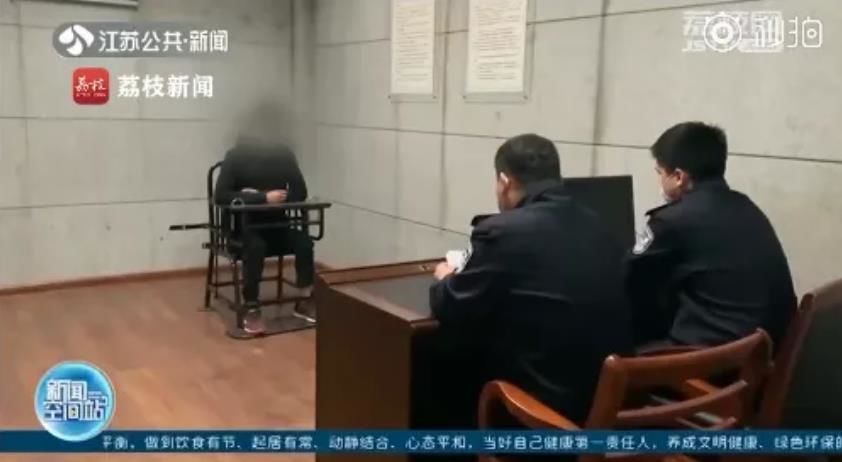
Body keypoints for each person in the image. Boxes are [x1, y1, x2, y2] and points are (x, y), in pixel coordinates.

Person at [426, 133, 633, 430]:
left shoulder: (503, 231)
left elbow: (450, 305)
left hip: (545, 411)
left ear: (504, 181)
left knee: (444, 364)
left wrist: (447, 276)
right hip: (606, 400)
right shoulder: (599, 223)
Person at [626, 121, 796, 351]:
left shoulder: (672, 221)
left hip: (715, 359)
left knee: (610, 346)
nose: (659, 181)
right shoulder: (746, 206)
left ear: (678, 176)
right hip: (766, 353)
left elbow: (627, 277)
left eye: (660, 173)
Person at [214, 107, 313, 335]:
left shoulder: (284, 154)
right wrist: (260, 198)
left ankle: (305, 298)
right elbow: (221, 195)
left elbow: (300, 191)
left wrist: (279, 199)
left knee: (304, 242)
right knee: (256, 247)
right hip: (245, 229)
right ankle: (251, 307)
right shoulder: (236, 156)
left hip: (277, 225)